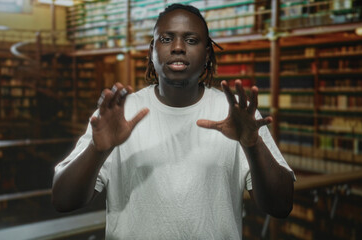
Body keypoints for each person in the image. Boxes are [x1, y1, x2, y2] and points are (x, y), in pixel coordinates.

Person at [52, 3, 295, 240]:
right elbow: (63, 200)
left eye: (191, 40)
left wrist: (252, 145)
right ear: (152, 50)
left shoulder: (234, 113)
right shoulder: (120, 113)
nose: (178, 47)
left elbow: (281, 206)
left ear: (207, 53)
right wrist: (98, 149)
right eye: (167, 39)